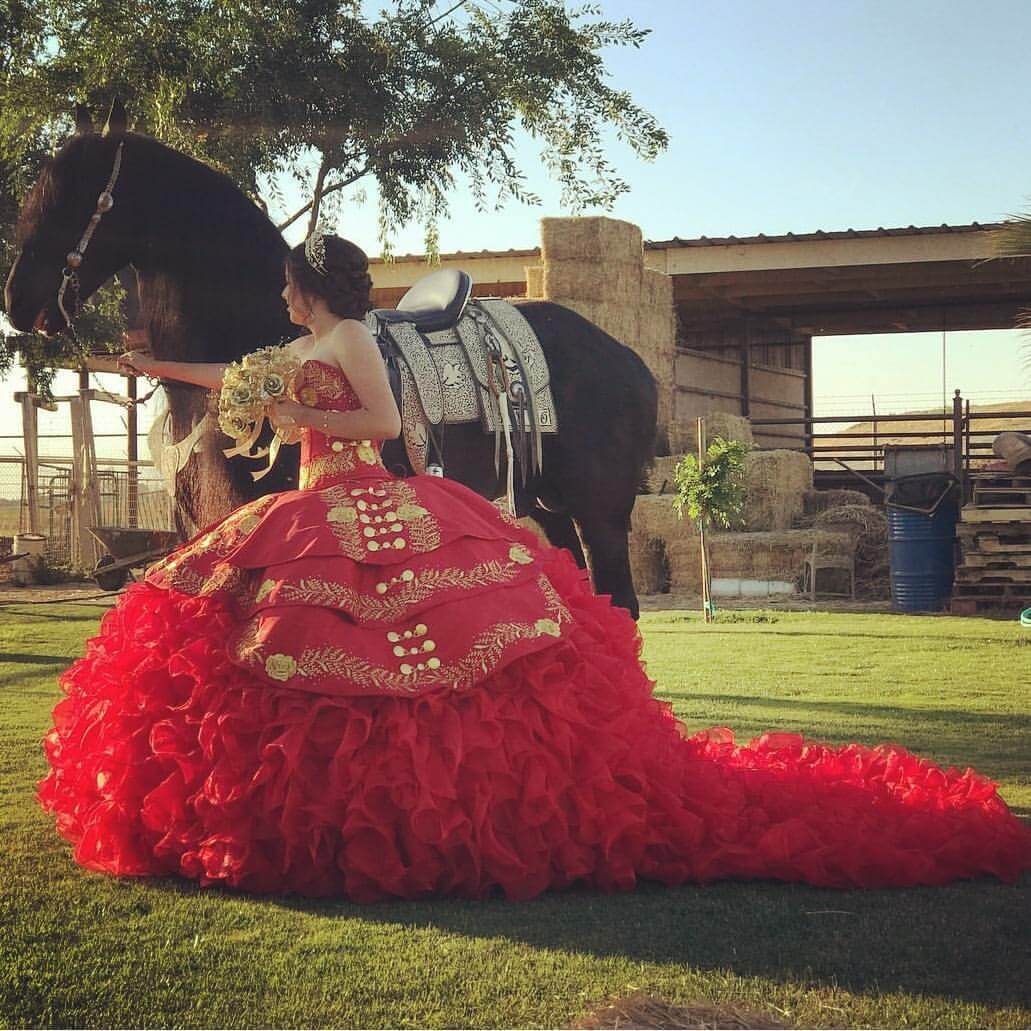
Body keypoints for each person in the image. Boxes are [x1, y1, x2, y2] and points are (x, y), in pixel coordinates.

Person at [37, 235, 1030, 901]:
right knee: (262, 636)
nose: (284, 297)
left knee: (416, 647)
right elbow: (236, 378)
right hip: (312, 507)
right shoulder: (301, 342)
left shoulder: (351, 340)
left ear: (311, 289)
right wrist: (156, 370)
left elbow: (380, 423)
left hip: (363, 490)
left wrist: (304, 417)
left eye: (290, 286)